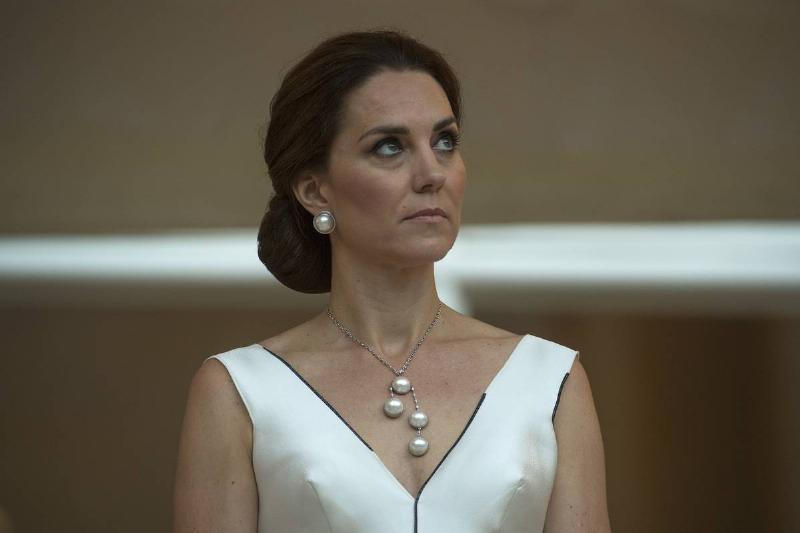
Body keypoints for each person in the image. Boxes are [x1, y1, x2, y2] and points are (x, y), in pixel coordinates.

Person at [173, 29, 611, 533]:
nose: (432, 173)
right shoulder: (239, 392)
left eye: (444, 142)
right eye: (389, 147)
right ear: (316, 191)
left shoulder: (551, 381)